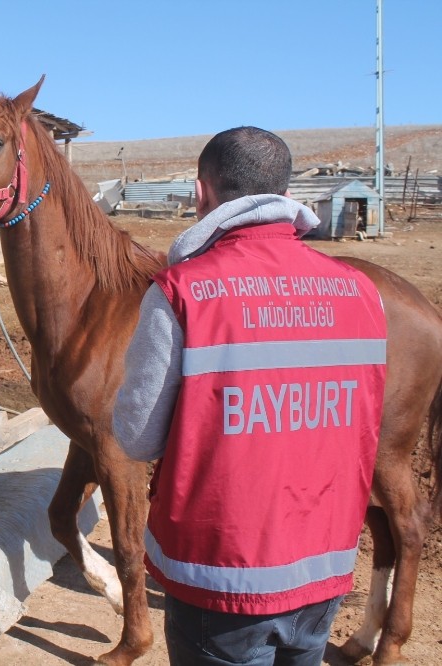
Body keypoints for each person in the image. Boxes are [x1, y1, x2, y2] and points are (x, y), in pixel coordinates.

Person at [113, 127, 387, 665]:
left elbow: (137, 437)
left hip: (221, 574)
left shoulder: (181, 291)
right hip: (324, 569)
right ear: (283, 191)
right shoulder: (361, 291)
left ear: (201, 193)